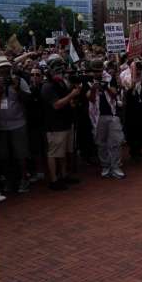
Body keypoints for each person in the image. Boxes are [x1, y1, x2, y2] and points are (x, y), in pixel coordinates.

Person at [40, 56, 82, 190]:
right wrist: (72, 95)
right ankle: (54, 180)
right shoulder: (47, 86)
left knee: (63, 152)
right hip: (55, 126)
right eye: (57, 67)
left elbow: (66, 99)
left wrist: (72, 100)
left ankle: (64, 175)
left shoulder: (62, 83)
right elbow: (56, 105)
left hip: (66, 123)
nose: (61, 70)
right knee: (54, 153)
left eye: (61, 67)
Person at [0, 56, 32, 194]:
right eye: (0, 71)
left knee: (21, 154)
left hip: (18, 124)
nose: (3, 74)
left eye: (6, 70)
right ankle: (9, 181)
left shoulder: (18, 80)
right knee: (3, 156)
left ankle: (23, 179)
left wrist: (17, 88)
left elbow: (29, 100)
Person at [87, 60, 125, 179]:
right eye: (95, 71)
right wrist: (94, 88)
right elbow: (90, 99)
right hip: (97, 116)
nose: (97, 73)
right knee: (101, 143)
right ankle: (105, 166)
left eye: (99, 71)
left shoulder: (110, 78)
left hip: (112, 113)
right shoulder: (87, 80)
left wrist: (106, 87)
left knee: (116, 142)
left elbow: (115, 94)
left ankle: (115, 166)